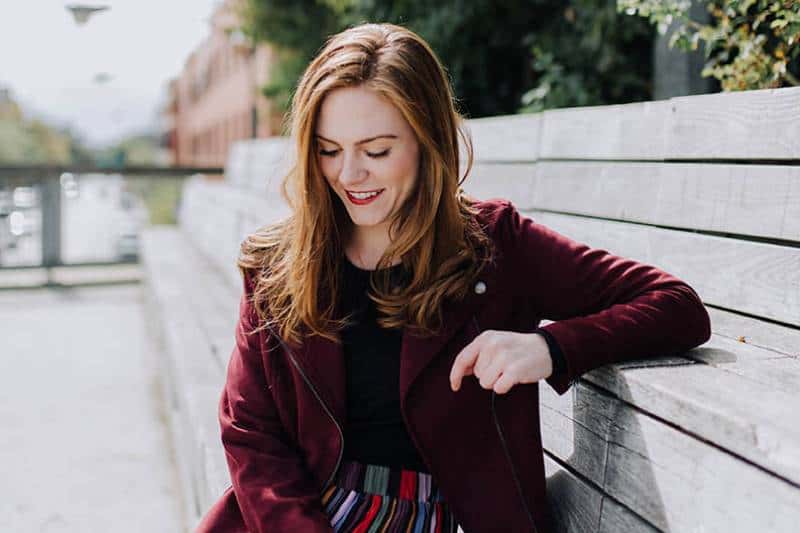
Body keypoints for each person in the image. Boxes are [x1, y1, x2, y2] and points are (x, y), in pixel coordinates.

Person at [196, 22, 711, 533]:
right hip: (294, 519)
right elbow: (251, 433)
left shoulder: (494, 245)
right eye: (329, 150)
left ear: (428, 141)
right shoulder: (275, 265)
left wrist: (550, 348)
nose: (349, 174)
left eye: (376, 151)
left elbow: (676, 304)